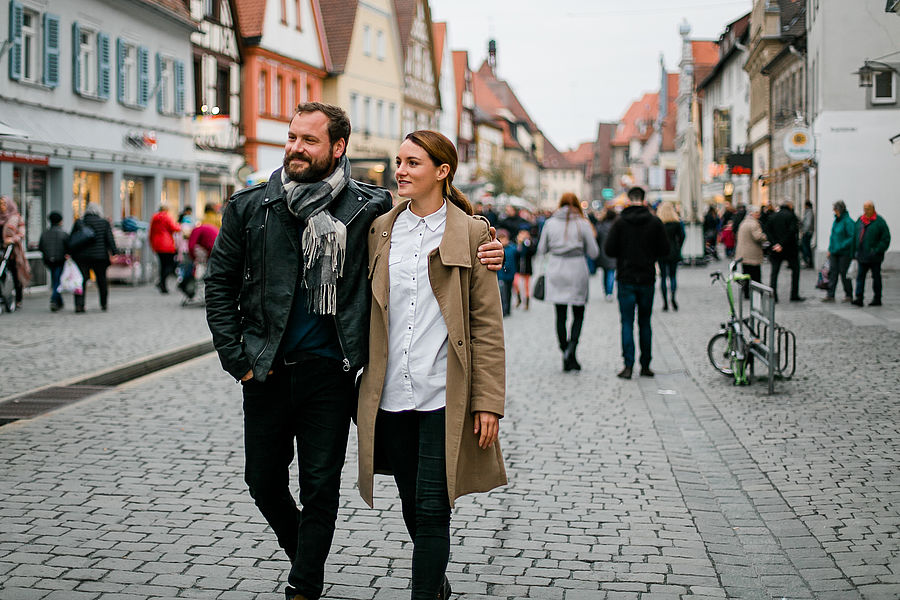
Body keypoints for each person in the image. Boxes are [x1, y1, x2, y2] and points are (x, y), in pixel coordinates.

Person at [204, 103, 503, 600]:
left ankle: (304, 586)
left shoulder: (367, 208)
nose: (296, 147)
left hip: (331, 372)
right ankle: (306, 555)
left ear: (337, 147)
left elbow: (443, 222)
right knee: (262, 481)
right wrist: (239, 360)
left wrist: (487, 240)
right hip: (266, 369)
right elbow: (219, 285)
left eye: (309, 140)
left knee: (325, 489)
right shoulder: (252, 206)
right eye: (292, 137)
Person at [356, 130, 506, 600]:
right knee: (410, 501)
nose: (400, 170)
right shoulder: (380, 230)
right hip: (391, 393)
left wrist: (488, 402)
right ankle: (435, 583)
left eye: (412, 163)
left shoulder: (471, 233)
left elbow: (486, 327)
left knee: (432, 506)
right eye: (399, 161)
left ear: (442, 172)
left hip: (443, 394)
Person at [605, 187, 669, 379]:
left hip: (626, 277)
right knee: (645, 322)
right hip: (647, 277)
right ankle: (646, 365)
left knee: (627, 322)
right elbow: (665, 250)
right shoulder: (655, 222)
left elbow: (609, 250)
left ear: (628, 199)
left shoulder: (620, 222)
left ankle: (628, 365)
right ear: (643, 199)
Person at [536, 193, 599, 372]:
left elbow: (541, 249)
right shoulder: (583, 224)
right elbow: (594, 252)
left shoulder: (550, 223)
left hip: (556, 269)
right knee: (578, 313)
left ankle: (564, 350)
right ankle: (572, 349)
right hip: (577, 269)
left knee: (560, 315)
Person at [70, 203, 117, 313]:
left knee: (80, 281)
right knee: (101, 280)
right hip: (100, 257)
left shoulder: (80, 222)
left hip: (82, 257)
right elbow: (109, 239)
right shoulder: (104, 222)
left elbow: (72, 239)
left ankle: (79, 305)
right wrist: (114, 252)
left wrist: (70, 253)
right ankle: (103, 303)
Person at [852, 201, 891, 307]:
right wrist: (854, 252)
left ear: (873, 209)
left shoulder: (879, 222)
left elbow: (886, 239)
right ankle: (859, 297)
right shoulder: (860, 220)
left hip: (875, 257)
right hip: (862, 255)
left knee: (876, 277)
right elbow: (855, 236)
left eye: (868, 208)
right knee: (860, 277)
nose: (866, 210)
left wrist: (877, 250)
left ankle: (877, 298)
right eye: (864, 208)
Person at [766, 201, 804, 302]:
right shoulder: (791, 216)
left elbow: (767, 231)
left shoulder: (773, 216)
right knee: (795, 271)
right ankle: (794, 294)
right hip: (790, 249)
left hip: (775, 249)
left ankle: (773, 295)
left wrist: (775, 244)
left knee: (774, 272)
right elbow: (792, 231)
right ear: (789, 207)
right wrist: (781, 244)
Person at [0, 196, 32, 309]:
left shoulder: (16, 218)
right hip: (0, 250)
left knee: (16, 275)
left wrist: (12, 239)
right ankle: (2, 296)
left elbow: (21, 233)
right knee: (1, 275)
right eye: (0, 204)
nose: (2, 206)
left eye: (4, 204)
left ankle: (18, 299)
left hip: (12, 252)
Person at [822, 200, 855, 303]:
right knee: (833, 273)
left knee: (844, 274)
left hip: (844, 253)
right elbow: (833, 236)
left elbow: (852, 237)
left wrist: (841, 245)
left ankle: (848, 294)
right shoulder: (836, 221)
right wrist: (830, 249)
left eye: (835, 209)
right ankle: (830, 294)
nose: (834, 211)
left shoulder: (848, 222)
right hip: (834, 252)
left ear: (839, 210)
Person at [38, 212, 69, 311]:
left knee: (55, 279)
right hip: (60, 260)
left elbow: (41, 247)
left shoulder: (45, 233)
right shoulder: (63, 233)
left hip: (49, 260)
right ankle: (54, 300)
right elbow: (68, 246)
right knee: (57, 280)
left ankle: (59, 301)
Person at [656, 202, 684, 312]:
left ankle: (665, 303)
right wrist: (678, 247)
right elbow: (682, 236)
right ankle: (673, 297)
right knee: (673, 276)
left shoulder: (659, 223)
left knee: (663, 277)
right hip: (673, 251)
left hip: (661, 252)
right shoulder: (676, 223)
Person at [735, 205, 767, 299]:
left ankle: (746, 293)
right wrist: (765, 236)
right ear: (752, 213)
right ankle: (756, 293)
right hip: (752, 254)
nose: (759, 215)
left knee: (746, 274)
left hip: (743, 254)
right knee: (755, 275)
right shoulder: (754, 224)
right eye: (757, 213)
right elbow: (757, 236)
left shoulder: (744, 222)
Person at [149, 204, 181, 294]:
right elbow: (175, 228)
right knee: (170, 265)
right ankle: (162, 282)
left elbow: (151, 232)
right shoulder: (167, 217)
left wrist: (152, 244)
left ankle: (162, 284)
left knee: (162, 265)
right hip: (167, 245)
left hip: (157, 244)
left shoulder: (154, 218)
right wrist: (180, 226)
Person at [594, 207, 617, 301]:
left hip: (603, 253)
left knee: (605, 272)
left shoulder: (601, 225)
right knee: (611, 272)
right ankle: (609, 292)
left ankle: (606, 291)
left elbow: (596, 238)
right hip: (613, 253)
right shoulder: (616, 226)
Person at [514, 229, 536, 309]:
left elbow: (531, 252)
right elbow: (516, 254)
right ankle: (519, 298)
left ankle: (527, 302)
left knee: (526, 286)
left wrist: (525, 244)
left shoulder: (528, 243)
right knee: (516, 283)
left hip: (527, 268)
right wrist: (519, 244)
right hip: (518, 268)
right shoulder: (516, 244)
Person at [496, 229, 517, 317]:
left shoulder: (512, 248)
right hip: (501, 275)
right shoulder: (497, 250)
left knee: (509, 292)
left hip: (510, 274)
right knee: (502, 293)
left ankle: (508, 309)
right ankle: (503, 310)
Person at [800, 200, 815, 269]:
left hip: (807, 232)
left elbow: (808, 223)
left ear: (807, 205)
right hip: (808, 232)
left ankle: (808, 262)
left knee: (805, 247)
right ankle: (808, 262)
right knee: (806, 247)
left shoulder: (809, 212)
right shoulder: (808, 212)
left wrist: (804, 231)